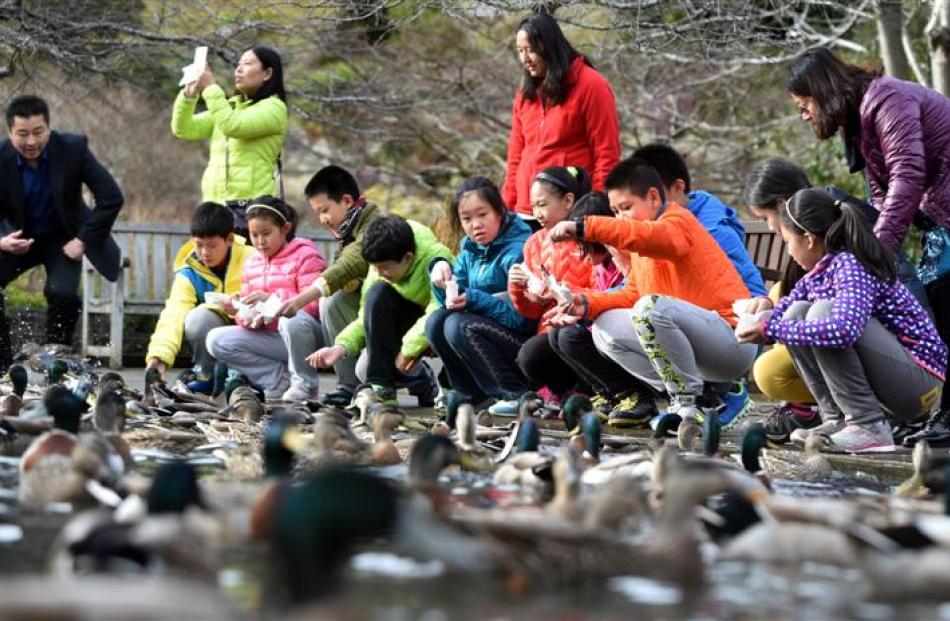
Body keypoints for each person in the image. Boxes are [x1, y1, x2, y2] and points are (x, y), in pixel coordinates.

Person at [788, 47, 950, 446]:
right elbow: (880, 193)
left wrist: (874, 255)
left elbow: (907, 176)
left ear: (823, 89)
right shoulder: (860, 117)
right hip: (938, 213)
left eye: (805, 103)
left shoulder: (887, 100)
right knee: (939, 300)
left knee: (945, 299)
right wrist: (872, 252)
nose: (804, 114)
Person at [549, 157, 756, 428]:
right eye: (615, 211)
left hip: (732, 342)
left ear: (654, 197)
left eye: (626, 208)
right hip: (698, 349)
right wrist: (585, 303)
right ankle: (701, 398)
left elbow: (653, 238)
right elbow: (633, 294)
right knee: (604, 328)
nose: (620, 218)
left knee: (649, 308)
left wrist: (585, 226)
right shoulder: (640, 246)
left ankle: (688, 404)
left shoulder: (677, 221)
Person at [737, 189, 946, 453]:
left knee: (822, 313)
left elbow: (844, 330)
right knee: (795, 313)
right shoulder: (818, 273)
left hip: (920, 384)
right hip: (897, 379)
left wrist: (772, 329)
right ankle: (836, 419)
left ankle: (868, 425)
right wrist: (758, 322)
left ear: (809, 240)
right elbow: (782, 316)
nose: (788, 252)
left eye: (787, 242)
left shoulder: (851, 264)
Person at [0, 95, 123, 371]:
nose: (31, 141)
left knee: (62, 293)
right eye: (22, 134)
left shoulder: (72, 149)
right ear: (10, 133)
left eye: (38, 132)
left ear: (48, 128)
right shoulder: (1, 157)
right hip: (18, 239)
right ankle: (3, 366)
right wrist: (2, 240)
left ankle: (55, 360)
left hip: (65, 239)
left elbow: (111, 197)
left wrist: (83, 240)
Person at [307, 214, 450, 407]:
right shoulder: (379, 270)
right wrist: (341, 348)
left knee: (442, 321)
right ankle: (388, 387)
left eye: (384, 268)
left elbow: (438, 308)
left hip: (434, 325)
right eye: (374, 268)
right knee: (364, 370)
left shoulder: (436, 259)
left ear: (407, 258)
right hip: (402, 324)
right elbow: (367, 315)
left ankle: (444, 386)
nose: (378, 273)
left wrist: (408, 350)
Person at [544, 191, 657, 426]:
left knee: (571, 337)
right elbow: (602, 295)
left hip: (635, 327)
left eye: (588, 247)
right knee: (556, 335)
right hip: (610, 323)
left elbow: (630, 293)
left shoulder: (624, 254)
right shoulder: (602, 266)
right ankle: (608, 394)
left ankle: (633, 394)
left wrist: (585, 307)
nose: (584, 256)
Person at [276, 165, 382, 407]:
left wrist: (300, 300)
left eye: (325, 210)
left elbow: (350, 264)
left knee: (330, 299)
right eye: (317, 213)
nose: (322, 219)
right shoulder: (348, 232)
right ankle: (347, 384)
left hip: (391, 316)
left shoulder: (373, 224)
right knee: (331, 301)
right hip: (362, 316)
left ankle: (420, 378)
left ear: (346, 201)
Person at [425, 177, 535, 408]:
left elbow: (523, 320)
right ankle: (471, 395)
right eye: (467, 219)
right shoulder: (470, 248)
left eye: (482, 215)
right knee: (437, 321)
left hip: (523, 344)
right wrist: (441, 279)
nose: (475, 224)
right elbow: (453, 299)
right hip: (486, 334)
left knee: (459, 325)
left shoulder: (519, 250)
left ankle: (514, 394)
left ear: (499, 211)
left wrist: (474, 298)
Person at [503, 13, 620, 226]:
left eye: (530, 50)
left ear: (549, 46)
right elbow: (516, 155)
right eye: (520, 51)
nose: (524, 59)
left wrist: (595, 207)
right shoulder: (525, 94)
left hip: (569, 211)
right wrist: (507, 207)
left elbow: (607, 152)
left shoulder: (591, 85)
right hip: (526, 212)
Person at [205, 197, 327, 400]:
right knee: (216, 340)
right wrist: (239, 311)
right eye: (254, 235)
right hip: (273, 340)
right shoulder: (252, 263)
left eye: (266, 234)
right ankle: (277, 379)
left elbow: (312, 306)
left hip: (305, 339)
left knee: (292, 320)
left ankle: (305, 385)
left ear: (285, 228)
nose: (260, 241)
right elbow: (249, 322)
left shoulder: (305, 255)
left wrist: (272, 300)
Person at [506, 166, 595, 415]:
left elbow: (600, 288)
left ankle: (590, 390)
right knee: (529, 356)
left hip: (583, 326)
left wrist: (562, 293)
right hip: (549, 331)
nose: (537, 213)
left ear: (568, 201)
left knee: (565, 339)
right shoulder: (534, 243)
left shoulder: (587, 235)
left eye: (542, 204)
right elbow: (530, 311)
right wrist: (518, 286)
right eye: (533, 206)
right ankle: (562, 391)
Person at [172, 46, 288, 234]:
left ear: (267, 73)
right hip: (215, 207)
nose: (239, 69)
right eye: (238, 64)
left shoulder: (274, 108)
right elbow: (184, 128)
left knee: (242, 263)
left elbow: (234, 126)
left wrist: (210, 88)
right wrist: (188, 96)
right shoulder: (229, 108)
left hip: (250, 212)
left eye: (247, 64)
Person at [742, 158, 819, 442]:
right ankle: (805, 405)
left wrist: (769, 325)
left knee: (768, 371)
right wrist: (768, 306)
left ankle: (811, 407)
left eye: (765, 219)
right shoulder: (804, 237)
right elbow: (791, 290)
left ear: (782, 203)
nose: (771, 228)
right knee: (779, 303)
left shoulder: (817, 240)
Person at [144, 203, 255, 393]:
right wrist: (159, 357)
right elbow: (174, 313)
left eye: (212, 245)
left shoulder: (253, 259)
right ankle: (207, 376)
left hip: (248, 331)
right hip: (213, 331)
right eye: (199, 245)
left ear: (229, 239)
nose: (204, 252)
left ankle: (247, 377)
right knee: (198, 318)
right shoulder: (189, 271)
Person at [632, 143, 766, 297]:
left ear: (678, 187)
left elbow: (750, 292)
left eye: (653, 196)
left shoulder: (714, 230)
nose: (648, 204)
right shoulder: (654, 227)